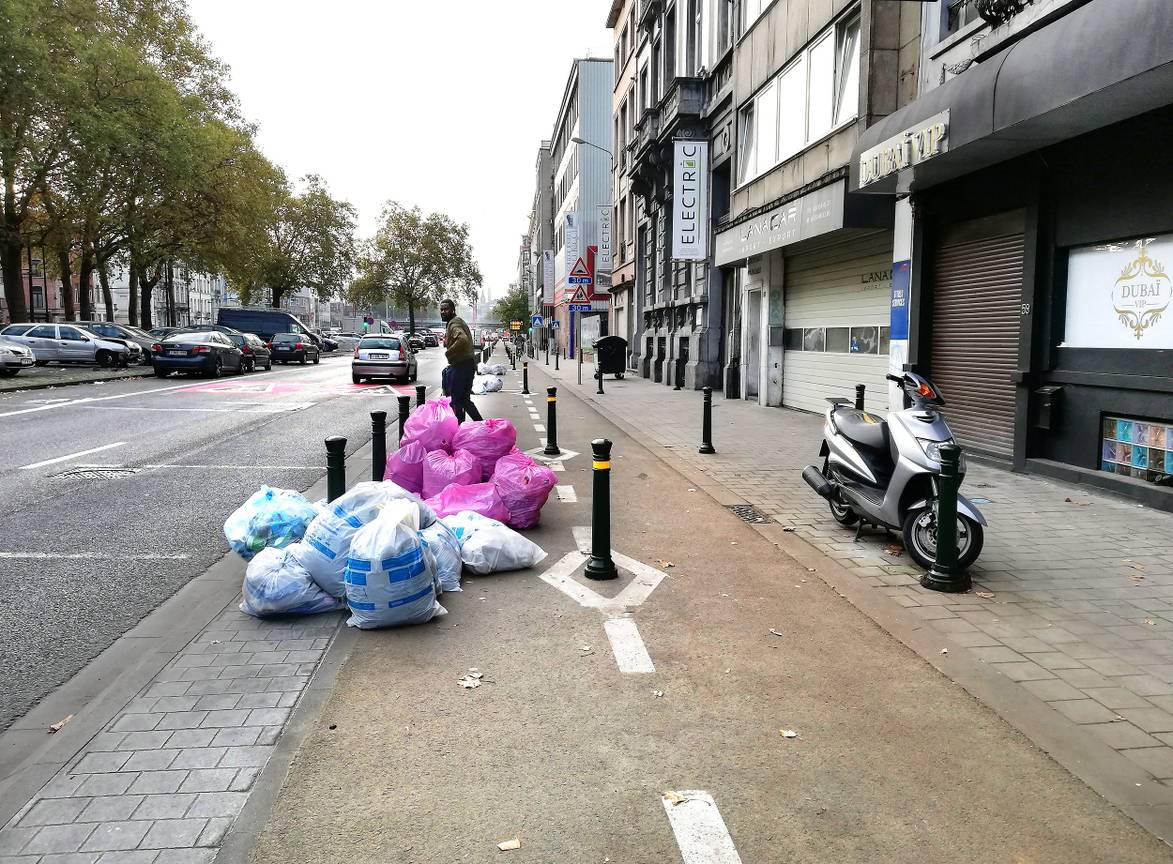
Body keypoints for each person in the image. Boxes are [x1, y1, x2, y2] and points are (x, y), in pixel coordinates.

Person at [440, 298, 483, 423]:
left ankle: (458, 430)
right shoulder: (455, 322)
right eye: (441, 310)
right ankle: (481, 425)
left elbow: (462, 339)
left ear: (453, 310)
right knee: (464, 400)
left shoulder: (453, 323)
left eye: (446, 309)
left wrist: (449, 352)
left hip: (460, 367)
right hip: (468, 365)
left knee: (457, 401)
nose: (443, 312)